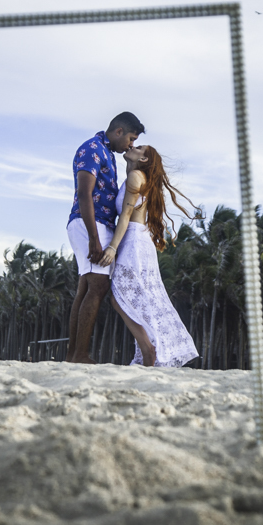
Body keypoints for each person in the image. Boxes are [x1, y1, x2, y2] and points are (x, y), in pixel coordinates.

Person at [98, 144, 199, 367]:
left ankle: (148, 349)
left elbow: (125, 215)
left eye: (139, 147)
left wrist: (112, 248)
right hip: (138, 240)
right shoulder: (136, 177)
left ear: (143, 159)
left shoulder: (136, 176)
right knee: (135, 298)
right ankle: (149, 349)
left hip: (133, 241)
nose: (133, 146)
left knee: (120, 297)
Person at [65, 112, 145, 364]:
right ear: (119, 131)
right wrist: (93, 238)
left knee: (87, 287)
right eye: (131, 138)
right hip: (89, 223)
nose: (131, 144)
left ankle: (73, 354)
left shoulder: (107, 153)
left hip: (96, 224)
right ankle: (79, 354)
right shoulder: (92, 149)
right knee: (97, 287)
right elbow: (84, 194)